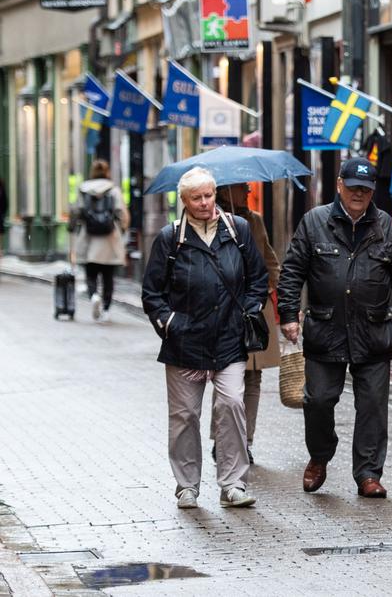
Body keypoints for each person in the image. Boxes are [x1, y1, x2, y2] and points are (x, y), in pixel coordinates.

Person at [277, 156, 392, 498]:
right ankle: (320, 456)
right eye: (353, 187)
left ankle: (368, 474)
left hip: (372, 331)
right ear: (339, 185)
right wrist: (288, 313)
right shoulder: (314, 222)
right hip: (325, 329)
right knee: (319, 400)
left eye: (365, 190)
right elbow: (293, 270)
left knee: (372, 406)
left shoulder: (386, 226)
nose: (359, 195)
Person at [141, 167, 268, 510]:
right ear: (183, 201)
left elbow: (257, 277)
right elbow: (152, 293)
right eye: (196, 198)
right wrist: (171, 324)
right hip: (185, 342)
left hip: (229, 339)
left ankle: (233, 484)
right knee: (184, 416)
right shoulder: (171, 238)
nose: (204, 203)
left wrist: (249, 309)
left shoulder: (237, 229)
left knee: (231, 405)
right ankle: (187, 487)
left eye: (208, 195)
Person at [212, 183, 281, 464]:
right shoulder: (210, 221)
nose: (248, 192)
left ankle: (245, 441)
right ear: (225, 190)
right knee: (226, 378)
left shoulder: (254, 220)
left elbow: (269, 260)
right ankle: (221, 440)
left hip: (254, 312)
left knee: (253, 378)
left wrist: (271, 289)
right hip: (224, 311)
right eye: (242, 187)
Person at [69, 160, 128, 323]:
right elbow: (121, 213)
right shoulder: (114, 190)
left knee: (91, 273)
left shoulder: (83, 189)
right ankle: (107, 309)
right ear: (107, 172)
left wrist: (72, 227)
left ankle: (94, 295)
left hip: (89, 238)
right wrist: (122, 229)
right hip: (109, 239)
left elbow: (76, 211)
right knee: (108, 276)